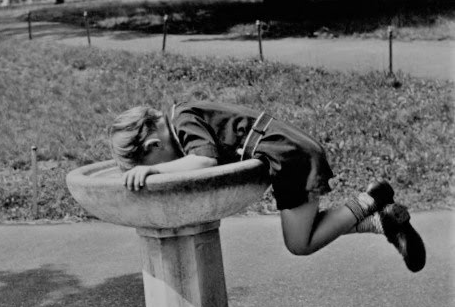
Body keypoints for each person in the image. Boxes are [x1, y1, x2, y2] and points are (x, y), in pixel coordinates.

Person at [110, 101, 426, 272]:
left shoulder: (182, 122)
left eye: (154, 163)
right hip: (290, 152)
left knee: (300, 244)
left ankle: (370, 200)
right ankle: (379, 219)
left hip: (289, 159)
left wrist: (156, 173)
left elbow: (203, 162)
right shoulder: (183, 114)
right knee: (308, 230)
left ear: (153, 144)